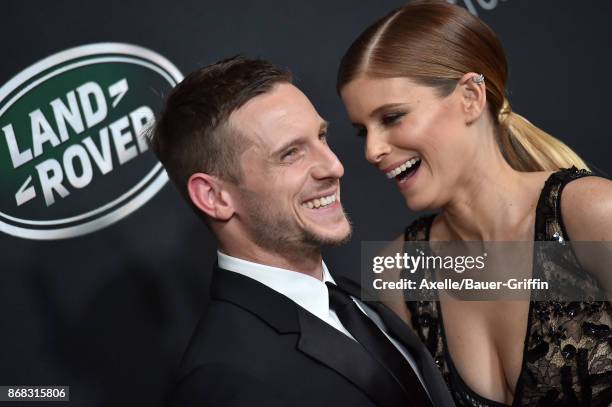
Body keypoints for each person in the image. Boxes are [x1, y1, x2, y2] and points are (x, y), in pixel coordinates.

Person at [337, 1, 612, 406]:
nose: (373, 150)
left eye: (392, 117)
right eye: (363, 132)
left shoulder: (591, 214)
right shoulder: (398, 274)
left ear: (470, 96)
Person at [150, 56, 455, 406]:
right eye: (291, 153)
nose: (334, 166)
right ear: (214, 196)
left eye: (322, 137)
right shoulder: (222, 380)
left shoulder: (354, 301)